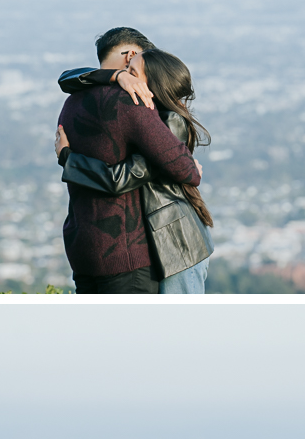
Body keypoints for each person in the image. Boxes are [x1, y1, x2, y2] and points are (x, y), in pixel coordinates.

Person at [56, 47, 214, 294]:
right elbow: (68, 78)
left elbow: (119, 179)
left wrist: (68, 158)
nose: (124, 76)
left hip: (178, 246)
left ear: (154, 85)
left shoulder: (167, 124)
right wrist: (116, 76)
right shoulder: (148, 116)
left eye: (132, 72)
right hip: (165, 244)